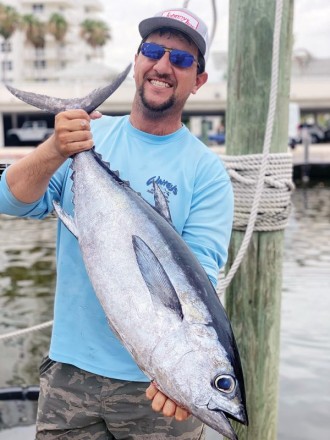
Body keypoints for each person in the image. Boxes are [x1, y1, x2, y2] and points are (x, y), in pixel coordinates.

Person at [0, 7, 234, 440]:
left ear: (199, 80)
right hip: (70, 372)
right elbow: (10, 202)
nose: (163, 66)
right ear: (138, 60)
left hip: (156, 390)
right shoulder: (88, 137)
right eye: (152, 51)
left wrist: (182, 378)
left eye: (181, 60)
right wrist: (55, 148)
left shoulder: (207, 173)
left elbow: (198, 282)